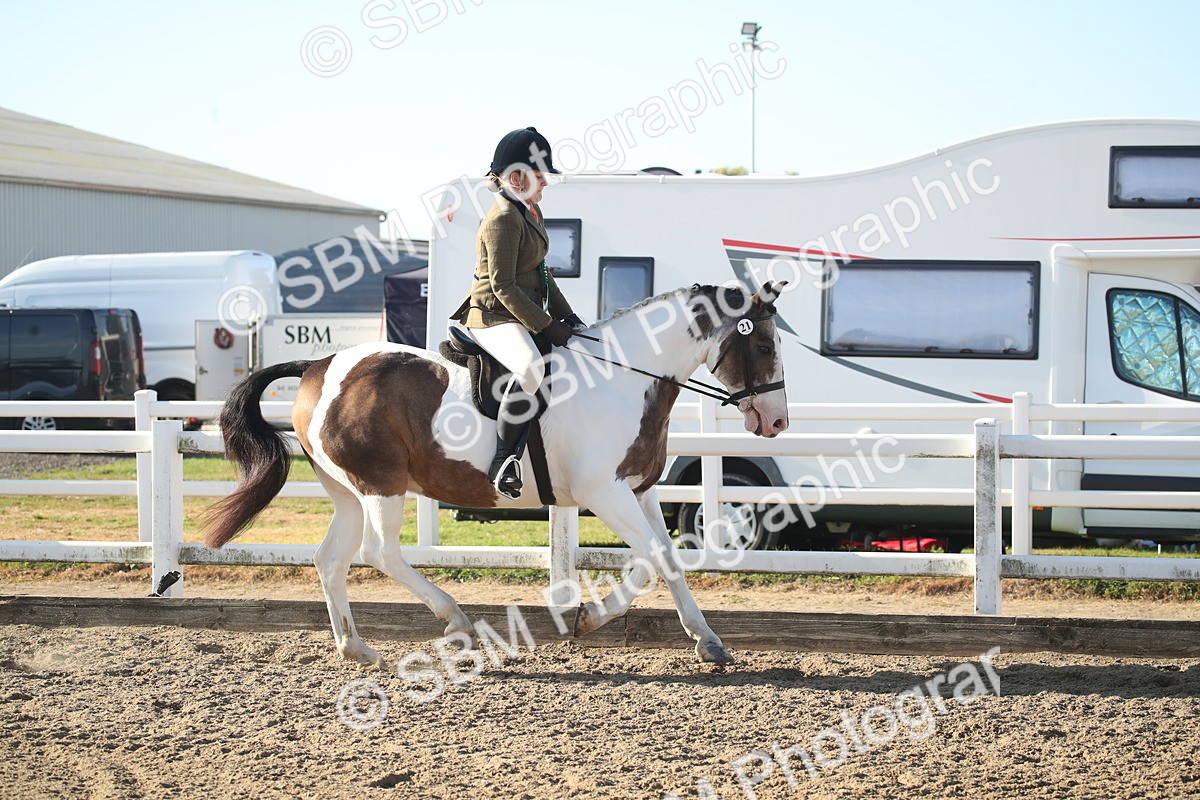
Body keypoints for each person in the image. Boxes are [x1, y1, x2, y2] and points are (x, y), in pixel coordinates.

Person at [451, 127, 585, 499]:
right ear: (516, 177)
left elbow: (542, 274)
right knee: (531, 367)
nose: (545, 184)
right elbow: (503, 286)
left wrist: (570, 318)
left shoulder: (530, 211)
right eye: (540, 176)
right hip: (491, 316)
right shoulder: (501, 221)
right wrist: (545, 325)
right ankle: (504, 461)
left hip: (515, 314)